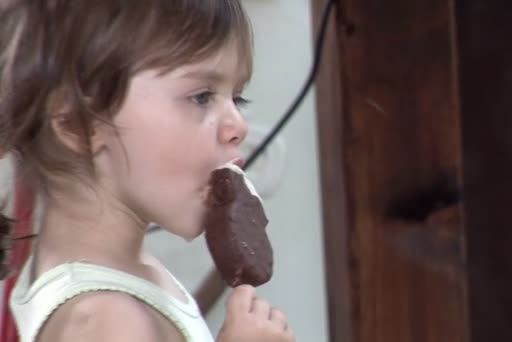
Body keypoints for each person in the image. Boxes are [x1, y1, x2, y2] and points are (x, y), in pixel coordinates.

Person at [0, 1, 294, 341]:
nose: (238, 126)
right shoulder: (104, 320)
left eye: (237, 99)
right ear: (77, 124)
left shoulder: (130, 274)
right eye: (201, 97)